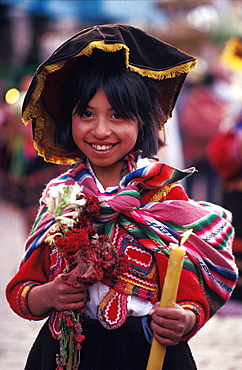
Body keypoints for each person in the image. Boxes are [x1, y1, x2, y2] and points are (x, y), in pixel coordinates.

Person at [5, 24, 238, 370]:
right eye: (87, 113)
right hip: (68, 356)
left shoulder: (162, 194)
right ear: (69, 120)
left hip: (147, 353)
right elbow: (23, 289)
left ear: (142, 123)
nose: (100, 130)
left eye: (117, 115)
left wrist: (184, 319)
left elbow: (188, 289)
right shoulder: (61, 199)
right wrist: (48, 294)